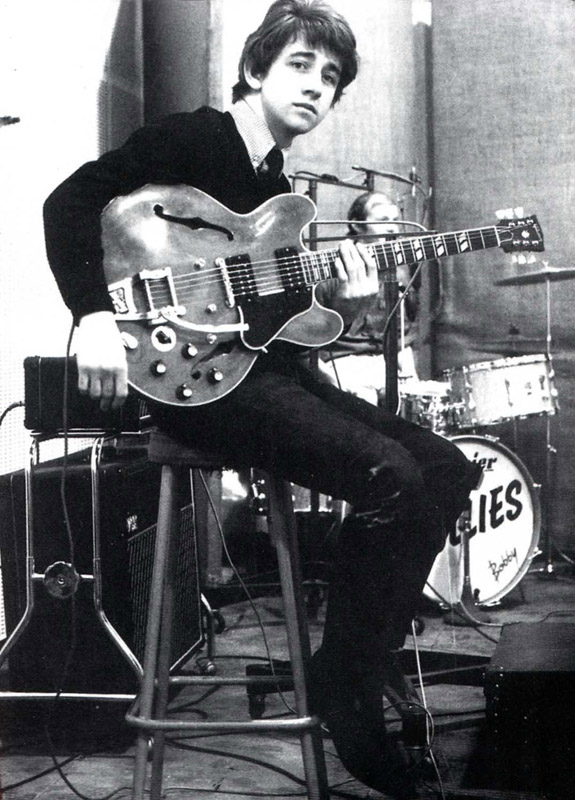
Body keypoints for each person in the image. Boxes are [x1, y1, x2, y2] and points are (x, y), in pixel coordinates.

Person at [43, 2, 481, 796]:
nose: (317, 86)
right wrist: (95, 316)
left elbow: (273, 324)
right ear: (254, 69)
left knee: (447, 467)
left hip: (263, 374)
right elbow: (66, 204)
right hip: (195, 386)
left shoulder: (275, 188)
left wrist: (341, 300)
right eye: (300, 66)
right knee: (388, 474)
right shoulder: (193, 139)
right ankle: (349, 691)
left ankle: (345, 663)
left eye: (332, 78)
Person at [319, 190, 420, 404]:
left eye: (395, 220)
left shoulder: (401, 271)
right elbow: (305, 348)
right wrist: (333, 383)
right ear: (357, 226)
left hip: (383, 363)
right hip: (341, 364)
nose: (393, 228)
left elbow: (402, 337)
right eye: (383, 221)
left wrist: (413, 381)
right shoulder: (330, 269)